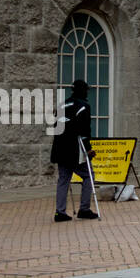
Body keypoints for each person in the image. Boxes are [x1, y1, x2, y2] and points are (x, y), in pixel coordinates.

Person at [51, 79, 97, 222]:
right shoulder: (84, 106)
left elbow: (55, 126)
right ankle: (84, 209)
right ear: (83, 91)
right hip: (74, 150)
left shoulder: (61, 105)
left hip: (59, 148)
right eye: (86, 90)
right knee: (89, 175)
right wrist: (88, 149)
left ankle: (60, 212)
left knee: (64, 179)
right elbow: (85, 131)